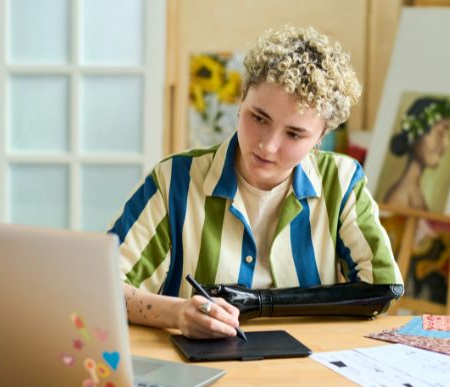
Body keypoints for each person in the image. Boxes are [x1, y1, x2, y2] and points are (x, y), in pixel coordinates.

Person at [108, 26, 403, 339]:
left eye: (294, 134)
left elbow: (384, 288)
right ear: (241, 100)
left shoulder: (341, 182)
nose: (267, 146)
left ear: (321, 136)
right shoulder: (175, 180)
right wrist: (178, 312)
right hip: (202, 370)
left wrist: (262, 304)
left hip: (312, 373)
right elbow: (103, 287)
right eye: (258, 118)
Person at [383, 97, 450, 210]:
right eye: (440, 133)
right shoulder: (400, 197)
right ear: (416, 135)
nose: (446, 144)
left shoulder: (414, 190)